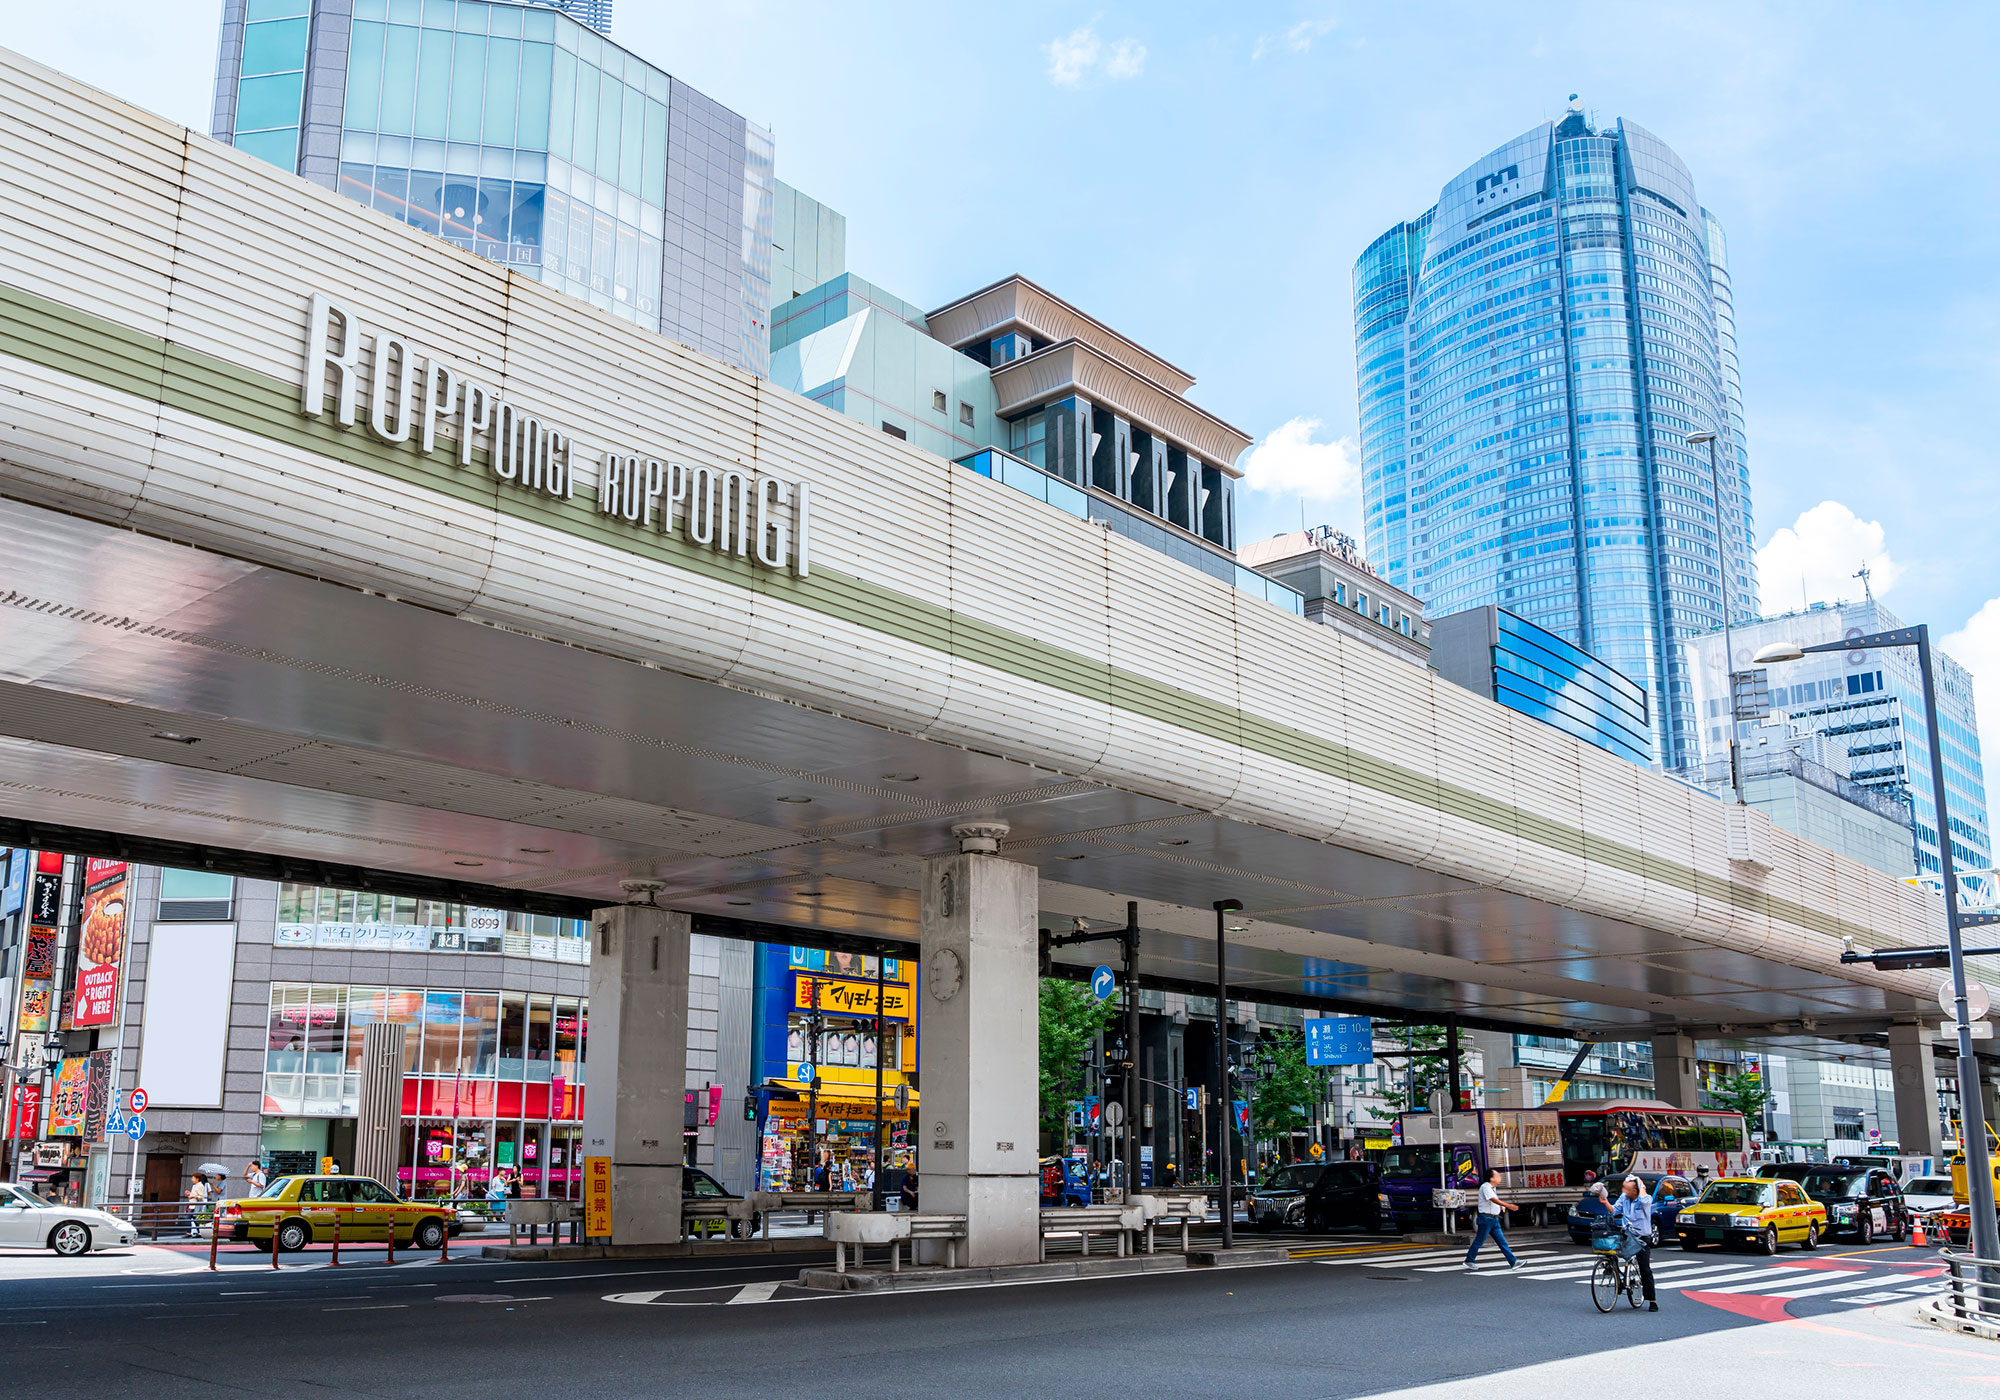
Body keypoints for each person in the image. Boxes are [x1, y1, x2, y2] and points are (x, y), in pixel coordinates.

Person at [1610, 1175, 1659, 1311]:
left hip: (1642, 1238)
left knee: (1644, 1268)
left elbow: (1643, 1200)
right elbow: (1614, 1211)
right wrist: (1604, 1201)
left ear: (1635, 1190)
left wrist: (1641, 1184)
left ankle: (1652, 1300)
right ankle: (1616, 1277)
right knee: (1610, 1250)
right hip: (1627, 1234)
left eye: (1627, 1189)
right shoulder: (1623, 1198)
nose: (1624, 1191)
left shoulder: (1645, 1199)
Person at [1463, 1167, 1520, 1270]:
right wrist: (1508, 1205)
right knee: (1479, 1241)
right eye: (1497, 1176)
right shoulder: (1486, 1187)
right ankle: (1469, 1260)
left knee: (1502, 1242)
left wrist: (1502, 1208)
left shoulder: (1492, 1188)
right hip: (1486, 1219)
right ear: (1491, 1178)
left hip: (1493, 1219)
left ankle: (1513, 1261)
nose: (1499, 1177)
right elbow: (1492, 1199)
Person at [184, 1172, 210, 1237]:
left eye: (193, 1178)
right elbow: (196, 1194)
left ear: (197, 1179)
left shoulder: (200, 1186)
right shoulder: (196, 1185)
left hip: (196, 1205)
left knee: (188, 1217)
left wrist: (193, 1196)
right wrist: (190, 1194)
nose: (192, 1179)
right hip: (192, 1204)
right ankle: (199, 1232)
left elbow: (201, 1196)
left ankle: (189, 1232)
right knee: (195, 1218)